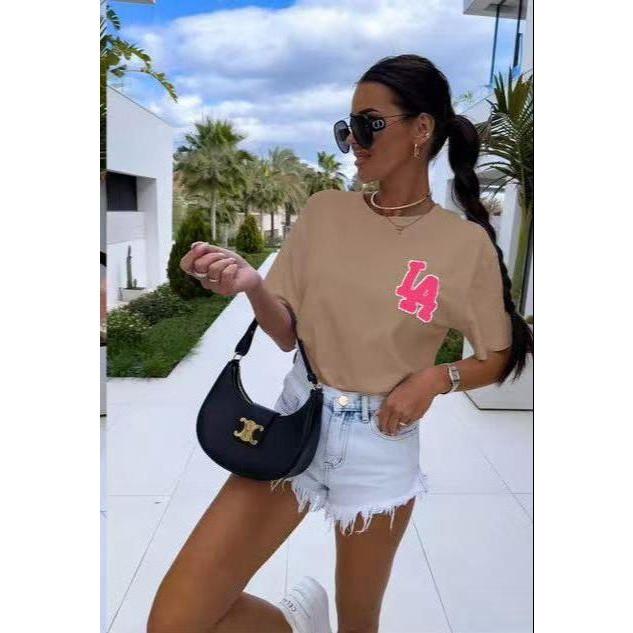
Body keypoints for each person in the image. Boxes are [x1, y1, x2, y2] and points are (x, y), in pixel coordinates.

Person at [146, 54, 533, 633]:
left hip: (381, 444)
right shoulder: (325, 211)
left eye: (369, 124)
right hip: (294, 424)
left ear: (421, 129)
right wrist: (252, 285)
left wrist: (436, 378)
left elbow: (498, 354)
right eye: (346, 127)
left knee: (358, 624)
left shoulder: (464, 245)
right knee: (175, 621)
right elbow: (287, 333)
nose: (353, 140)